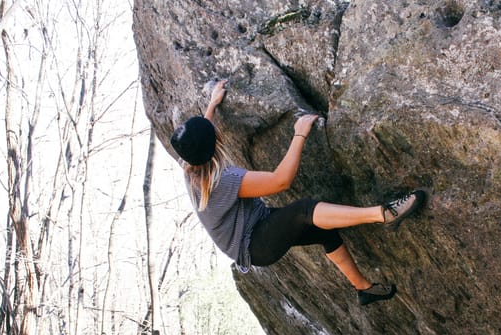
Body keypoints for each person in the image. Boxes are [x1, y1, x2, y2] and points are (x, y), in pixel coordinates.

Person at [170, 79, 427, 305]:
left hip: (257, 227)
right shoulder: (223, 181)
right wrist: (300, 134)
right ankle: (384, 214)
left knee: (323, 228)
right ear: (214, 144)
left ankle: (364, 289)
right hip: (255, 245)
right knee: (305, 210)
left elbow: (201, 138)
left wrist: (213, 105)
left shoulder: (191, 165)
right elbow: (281, 181)